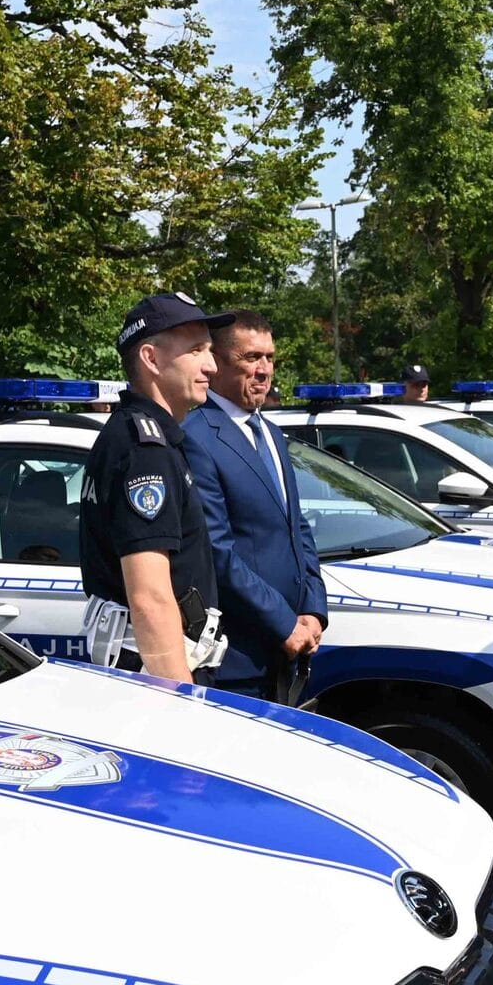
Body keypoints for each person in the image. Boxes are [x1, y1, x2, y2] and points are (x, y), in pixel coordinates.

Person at [79, 292, 230, 683]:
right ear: (151, 358)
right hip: (156, 671)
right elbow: (150, 598)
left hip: (150, 664)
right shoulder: (145, 450)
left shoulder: (142, 437)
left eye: (210, 351)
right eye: (196, 350)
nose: (211, 366)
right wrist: (182, 701)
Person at [182, 310, 329, 702]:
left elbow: (296, 527)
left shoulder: (271, 433)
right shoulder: (196, 437)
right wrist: (284, 624)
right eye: (251, 358)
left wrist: (313, 609)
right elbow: (218, 552)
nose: (264, 370)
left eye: (270, 358)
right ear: (217, 363)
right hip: (239, 658)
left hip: (290, 650)